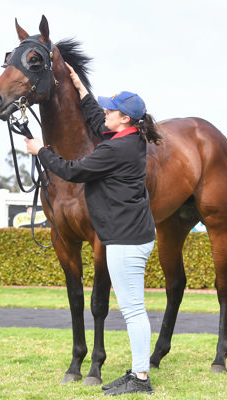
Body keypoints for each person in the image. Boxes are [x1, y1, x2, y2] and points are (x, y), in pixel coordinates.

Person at [25, 63, 162, 396]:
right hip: (133, 236)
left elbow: (72, 171)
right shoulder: (129, 138)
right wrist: (81, 89)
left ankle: (140, 378)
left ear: (125, 119)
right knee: (134, 309)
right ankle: (138, 372)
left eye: (111, 110)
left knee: (133, 310)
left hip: (125, 240)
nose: (105, 112)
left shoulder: (115, 149)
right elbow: (98, 121)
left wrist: (40, 151)